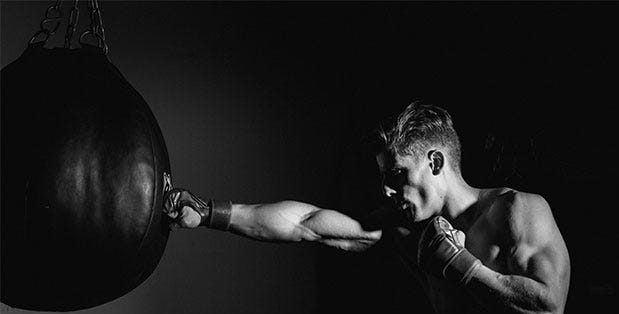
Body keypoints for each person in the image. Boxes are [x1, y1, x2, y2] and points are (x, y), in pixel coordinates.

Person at [164, 102, 571, 314]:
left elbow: (548, 305)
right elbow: (307, 223)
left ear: (434, 162)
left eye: (396, 174)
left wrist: (462, 266)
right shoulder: (401, 228)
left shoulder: (516, 211)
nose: (387, 191)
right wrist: (209, 212)